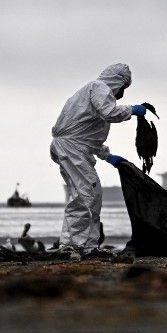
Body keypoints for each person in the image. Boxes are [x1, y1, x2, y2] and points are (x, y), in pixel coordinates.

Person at [49, 63, 149, 255]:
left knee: (89, 195)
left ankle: (86, 246)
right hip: (72, 149)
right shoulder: (100, 88)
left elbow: (86, 135)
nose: (122, 93)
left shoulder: (91, 92)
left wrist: (107, 156)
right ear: (118, 81)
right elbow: (110, 113)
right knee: (85, 196)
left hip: (73, 148)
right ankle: (74, 245)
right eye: (124, 87)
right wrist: (132, 110)